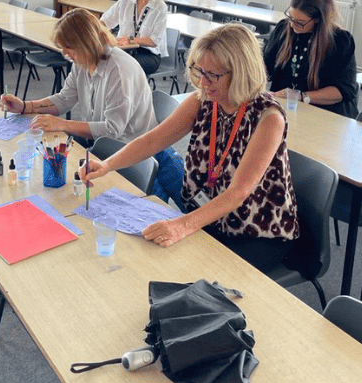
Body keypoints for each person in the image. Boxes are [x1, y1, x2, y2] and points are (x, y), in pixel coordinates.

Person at [83, 23, 301, 273]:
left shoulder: (268, 117)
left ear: (241, 72)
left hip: (253, 229)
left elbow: (239, 192)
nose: (204, 82)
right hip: (208, 213)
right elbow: (153, 141)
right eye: (200, 71)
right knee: (155, 253)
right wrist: (107, 164)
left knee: (190, 272)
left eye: (214, 75)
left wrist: (182, 225)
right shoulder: (203, 99)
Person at [0, 8, 183, 204]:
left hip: (139, 156)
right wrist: (25, 106)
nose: (63, 53)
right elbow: (64, 99)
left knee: (164, 214)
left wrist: (62, 124)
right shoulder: (82, 61)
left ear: (85, 43)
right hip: (110, 149)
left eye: (68, 46)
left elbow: (111, 130)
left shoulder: (119, 71)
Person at [263, 0, 358, 118]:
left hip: (325, 114)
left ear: (319, 19)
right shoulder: (283, 29)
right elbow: (265, 65)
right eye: (291, 17)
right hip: (284, 108)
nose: (292, 24)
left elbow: (342, 91)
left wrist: (301, 96)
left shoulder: (340, 41)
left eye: (300, 22)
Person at [100, 0, 168, 75]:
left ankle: (127, 92)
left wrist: (131, 40)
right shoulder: (126, 0)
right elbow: (105, 21)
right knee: (101, 59)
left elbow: (154, 41)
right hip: (124, 49)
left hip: (148, 54)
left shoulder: (160, 8)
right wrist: (102, 34)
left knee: (122, 65)